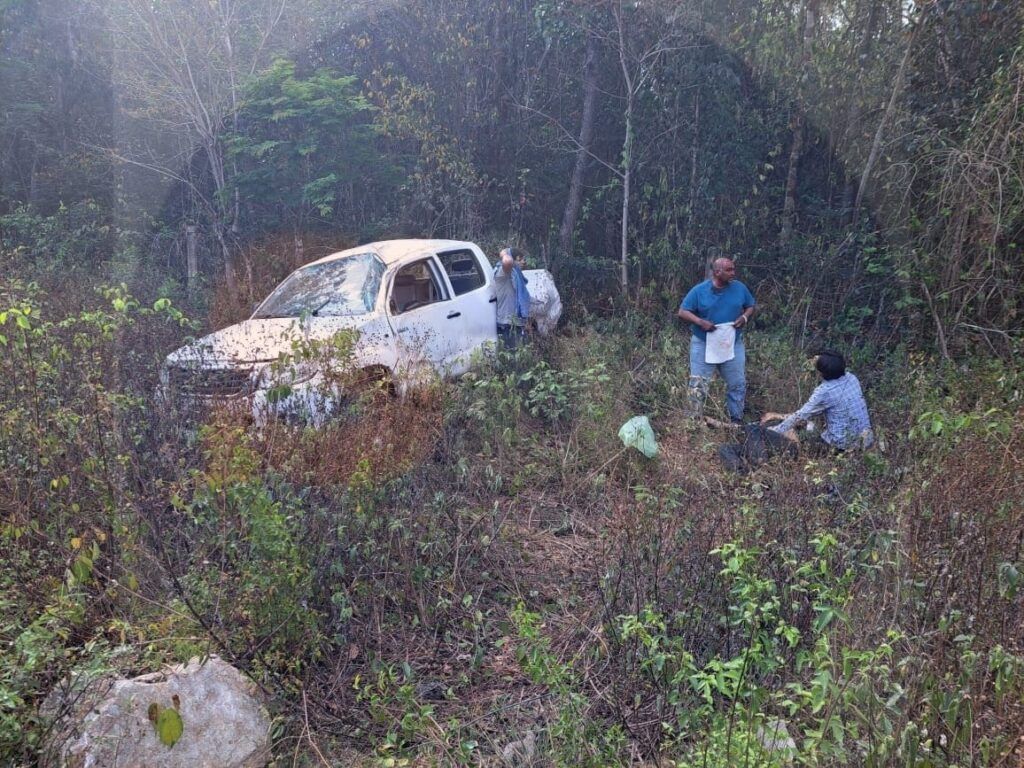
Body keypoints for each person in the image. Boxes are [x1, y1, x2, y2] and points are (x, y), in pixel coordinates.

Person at [677, 257, 756, 422]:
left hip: (732, 343)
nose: (733, 273)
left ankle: (736, 421)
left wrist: (744, 317)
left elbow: (751, 306)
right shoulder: (699, 291)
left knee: (737, 383)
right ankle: (693, 422)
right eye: (729, 270)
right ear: (717, 272)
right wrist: (700, 322)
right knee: (698, 385)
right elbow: (683, 311)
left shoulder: (739, 288)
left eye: (733, 269)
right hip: (703, 343)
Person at [765, 350, 874, 453]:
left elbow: (801, 415)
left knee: (795, 431)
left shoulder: (825, 391)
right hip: (866, 439)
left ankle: (798, 452)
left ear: (822, 372)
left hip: (841, 446)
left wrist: (774, 430)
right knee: (809, 424)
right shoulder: (852, 378)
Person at [493, 246, 531, 350]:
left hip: (516, 322)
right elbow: (507, 261)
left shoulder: (516, 275)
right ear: (513, 260)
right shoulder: (503, 272)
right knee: (511, 356)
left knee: (517, 355)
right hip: (507, 324)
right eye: (520, 259)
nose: (523, 262)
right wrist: (504, 253)